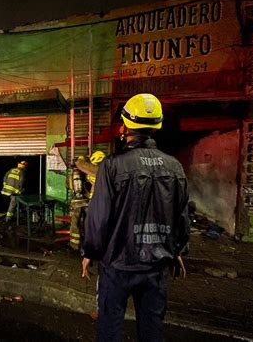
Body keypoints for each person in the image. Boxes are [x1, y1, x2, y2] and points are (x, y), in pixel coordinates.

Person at [81, 93, 190, 342]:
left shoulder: (112, 165)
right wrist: (178, 250)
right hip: (156, 266)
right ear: (156, 126)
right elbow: (181, 215)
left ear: (126, 126)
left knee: (110, 328)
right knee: (152, 330)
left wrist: (90, 252)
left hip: (118, 265)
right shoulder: (175, 167)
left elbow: (99, 217)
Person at [69, 151, 106, 250]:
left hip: (98, 204)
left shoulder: (99, 170)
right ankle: (80, 243)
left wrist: (79, 161)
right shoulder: (103, 169)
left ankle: (86, 245)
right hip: (95, 203)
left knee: (92, 225)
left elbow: (87, 167)